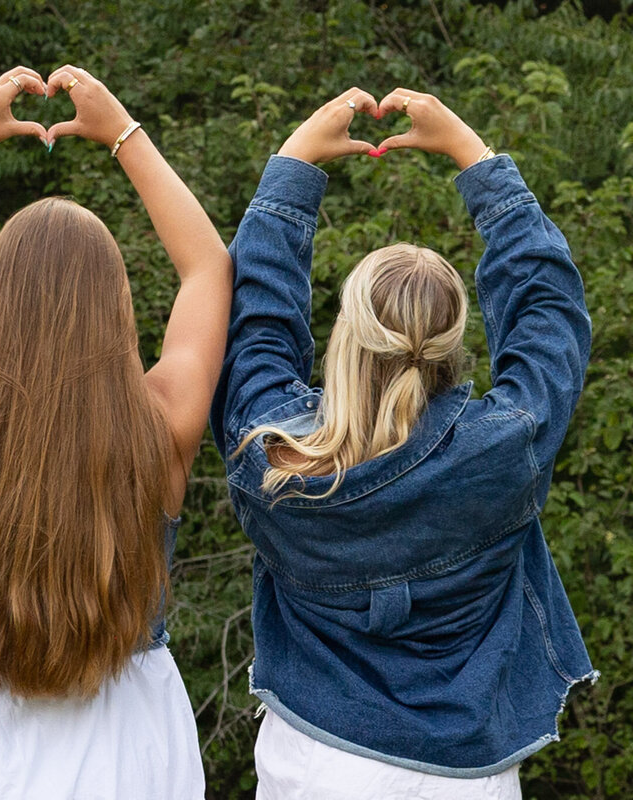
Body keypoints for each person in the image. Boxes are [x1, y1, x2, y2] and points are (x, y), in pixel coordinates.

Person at [210, 87, 596, 799]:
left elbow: (252, 326)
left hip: (312, 767)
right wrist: (474, 158)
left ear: (349, 336)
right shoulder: (502, 452)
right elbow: (550, 313)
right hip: (466, 777)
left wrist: (293, 169)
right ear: (452, 343)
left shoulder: (276, 457)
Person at [0, 65, 232, 799]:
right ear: (116, 313)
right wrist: (121, 132)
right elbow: (207, 271)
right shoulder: (159, 436)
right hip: (131, 747)